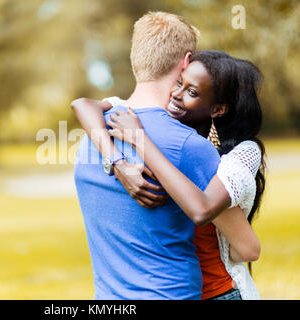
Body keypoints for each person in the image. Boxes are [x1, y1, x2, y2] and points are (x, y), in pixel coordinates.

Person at [72, 50, 266, 300]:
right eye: (178, 82)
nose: (176, 93)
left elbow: (248, 249)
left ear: (218, 109)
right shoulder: (140, 119)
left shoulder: (224, 158)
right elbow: (82, 104)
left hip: (217, 293)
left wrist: (140, 139)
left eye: (192, 92)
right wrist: (117, 163)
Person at [73, 11, 220, 299]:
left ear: (135, 59)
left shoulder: (91, 138)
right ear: (186, 62)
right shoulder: (191, 145)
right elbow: (240, 245)